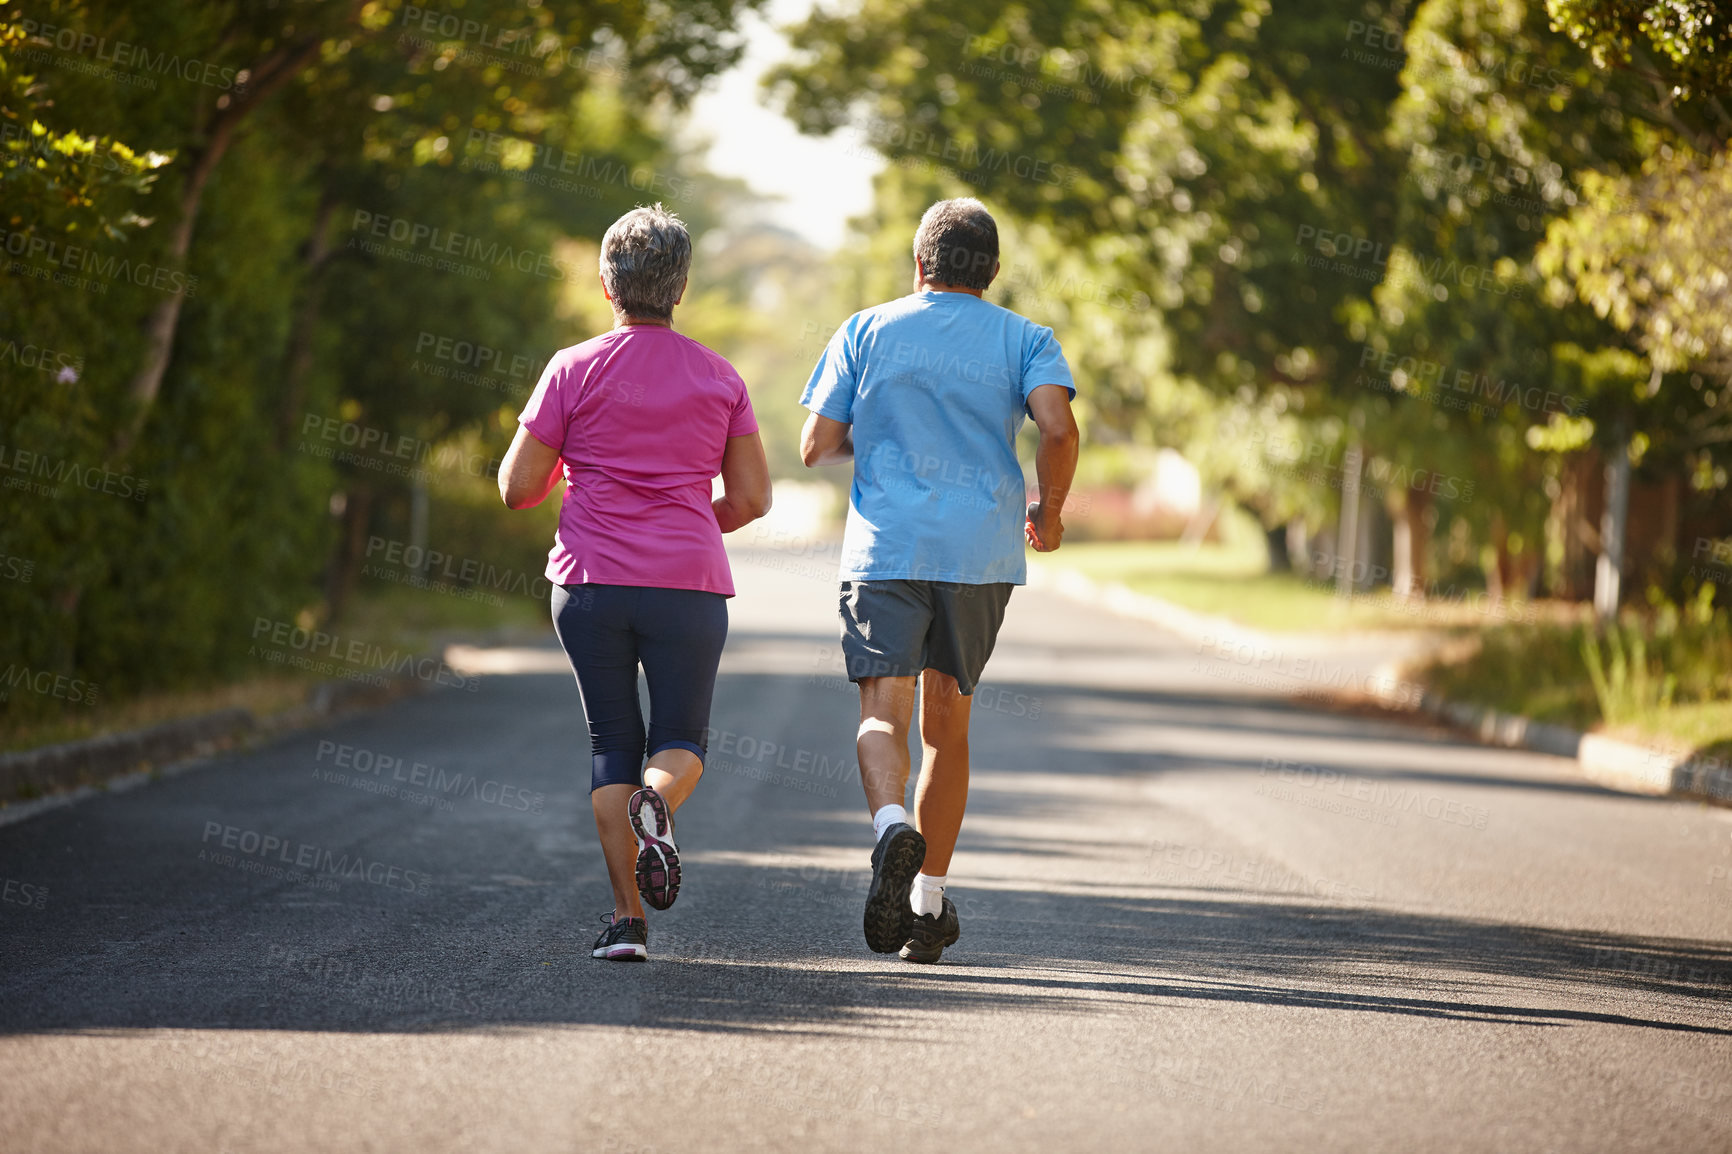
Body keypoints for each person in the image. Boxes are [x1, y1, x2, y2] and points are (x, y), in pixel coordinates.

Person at [799, 197, 1079, 963]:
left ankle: (892, 829)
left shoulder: (865, 329)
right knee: (946, 731)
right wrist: (1047, 516)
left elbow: (815, 444)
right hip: (977, 557)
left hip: (887, 550)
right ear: (992, 271)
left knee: (880, 715)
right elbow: (1058, 427)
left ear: (918, 264)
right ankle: (928, 907)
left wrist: (884, 433)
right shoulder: (1026, 337)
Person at [499, 204, 772, 963]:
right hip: (688, 583)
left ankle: (627, 922)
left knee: (610, 742)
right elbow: (751, 500)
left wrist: (570, 465)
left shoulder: (570, 368)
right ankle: (662, 802)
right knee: (679, 739)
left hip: (589, 584)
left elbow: (517, 489)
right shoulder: (720, 377)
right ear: (680, 288)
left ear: (605, 283)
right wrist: (681, 520)